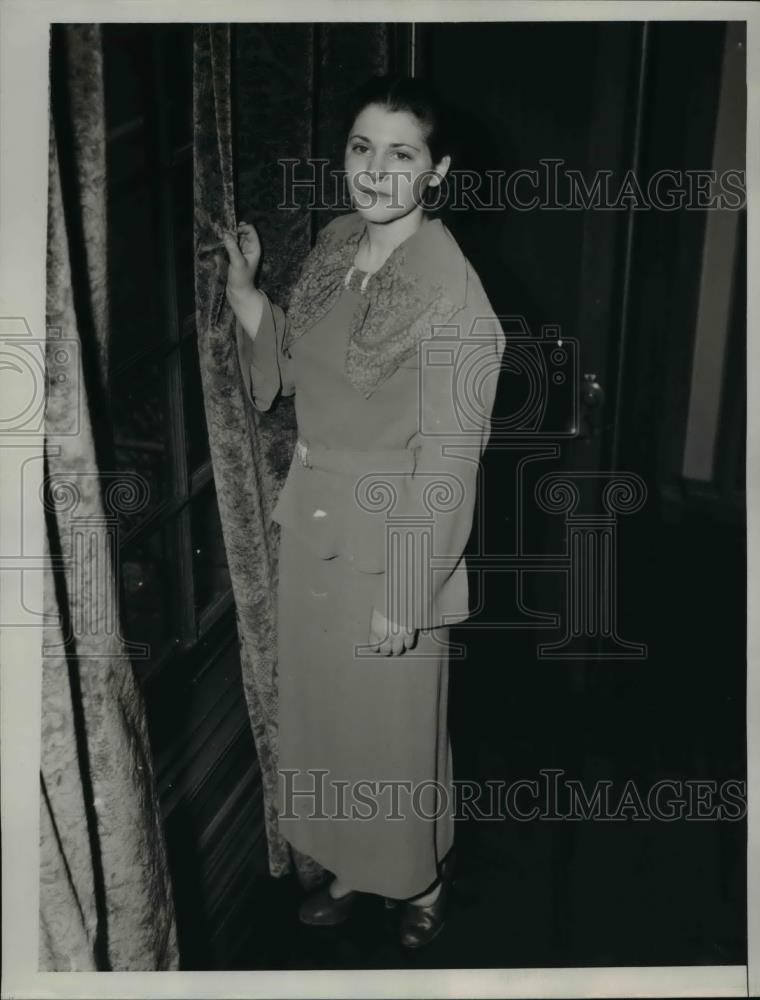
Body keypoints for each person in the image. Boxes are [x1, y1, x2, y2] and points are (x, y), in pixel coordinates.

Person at [222, 74, 505, 950]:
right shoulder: (340, 243)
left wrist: (407, 590)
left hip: (394, 544)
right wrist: (248, 301)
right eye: (360, 148)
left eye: (402, 153)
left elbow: (452, 457)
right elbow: (301, 378)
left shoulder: (454, 295)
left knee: (394, 731)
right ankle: (354, 860)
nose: (376, 171)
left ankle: (418, 878)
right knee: (335, 717)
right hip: (315, 529)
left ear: (438, 170)